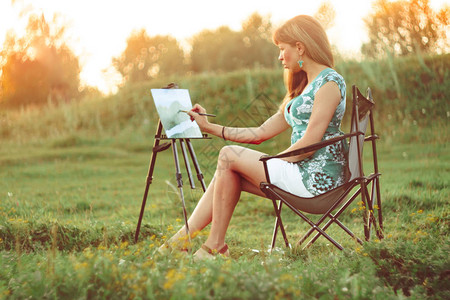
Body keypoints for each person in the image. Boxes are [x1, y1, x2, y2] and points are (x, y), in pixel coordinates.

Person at [160, 14, 348, 260]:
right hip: (302, 171)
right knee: (229, 168)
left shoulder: (329, 83)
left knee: (229, 155)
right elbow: (260, 133)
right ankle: (194, 244)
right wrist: (209, 127)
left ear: (300, 47)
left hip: (316, 181)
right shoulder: (304, 89)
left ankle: (205, 246)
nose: (280, 57)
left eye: (282, 49)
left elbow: (308, 146)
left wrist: (270, 164)